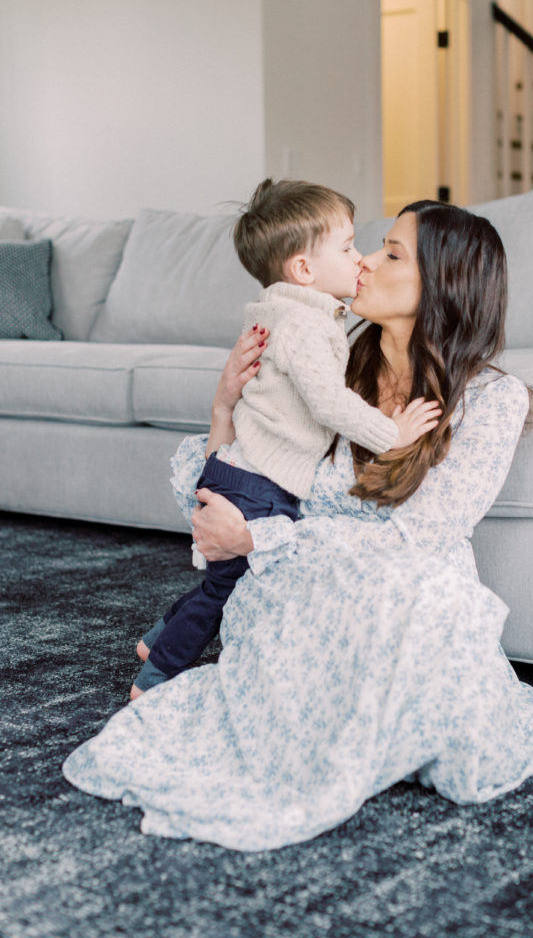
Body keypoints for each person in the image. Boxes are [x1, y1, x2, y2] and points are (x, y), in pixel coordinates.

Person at [63, 198, 533, 852]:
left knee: (452, 744)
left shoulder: (488, 399)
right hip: (300, 595)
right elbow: (240, 486)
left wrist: (262, 540)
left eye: (390, 252)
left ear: (443, 283)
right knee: (263, 733)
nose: (363, 261)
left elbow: (419, 538)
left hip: (403, 602)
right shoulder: (326, 365)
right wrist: (225, 410)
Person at [131, 179, 440, 698]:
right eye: (347, 248)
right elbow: (329, 403)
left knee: (221, 579)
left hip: (241, 468)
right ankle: (158, 673)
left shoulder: (291, 313)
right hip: (258, 482)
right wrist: (394, 433)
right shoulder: (306, 326)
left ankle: (154, 638)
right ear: (303, 269)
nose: (360, 259)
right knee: (226, 591)